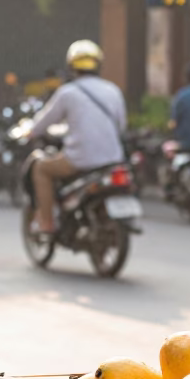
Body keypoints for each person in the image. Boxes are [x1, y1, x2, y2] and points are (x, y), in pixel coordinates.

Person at [26, 39, 126, 235]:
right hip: (113, 159)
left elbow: (43, 122)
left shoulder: (68, 93)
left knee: (41, 169)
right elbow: (121, 126)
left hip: (80, 159)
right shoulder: (113, 90)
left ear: (71, 66)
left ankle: (46, 222)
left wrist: (30, 132)